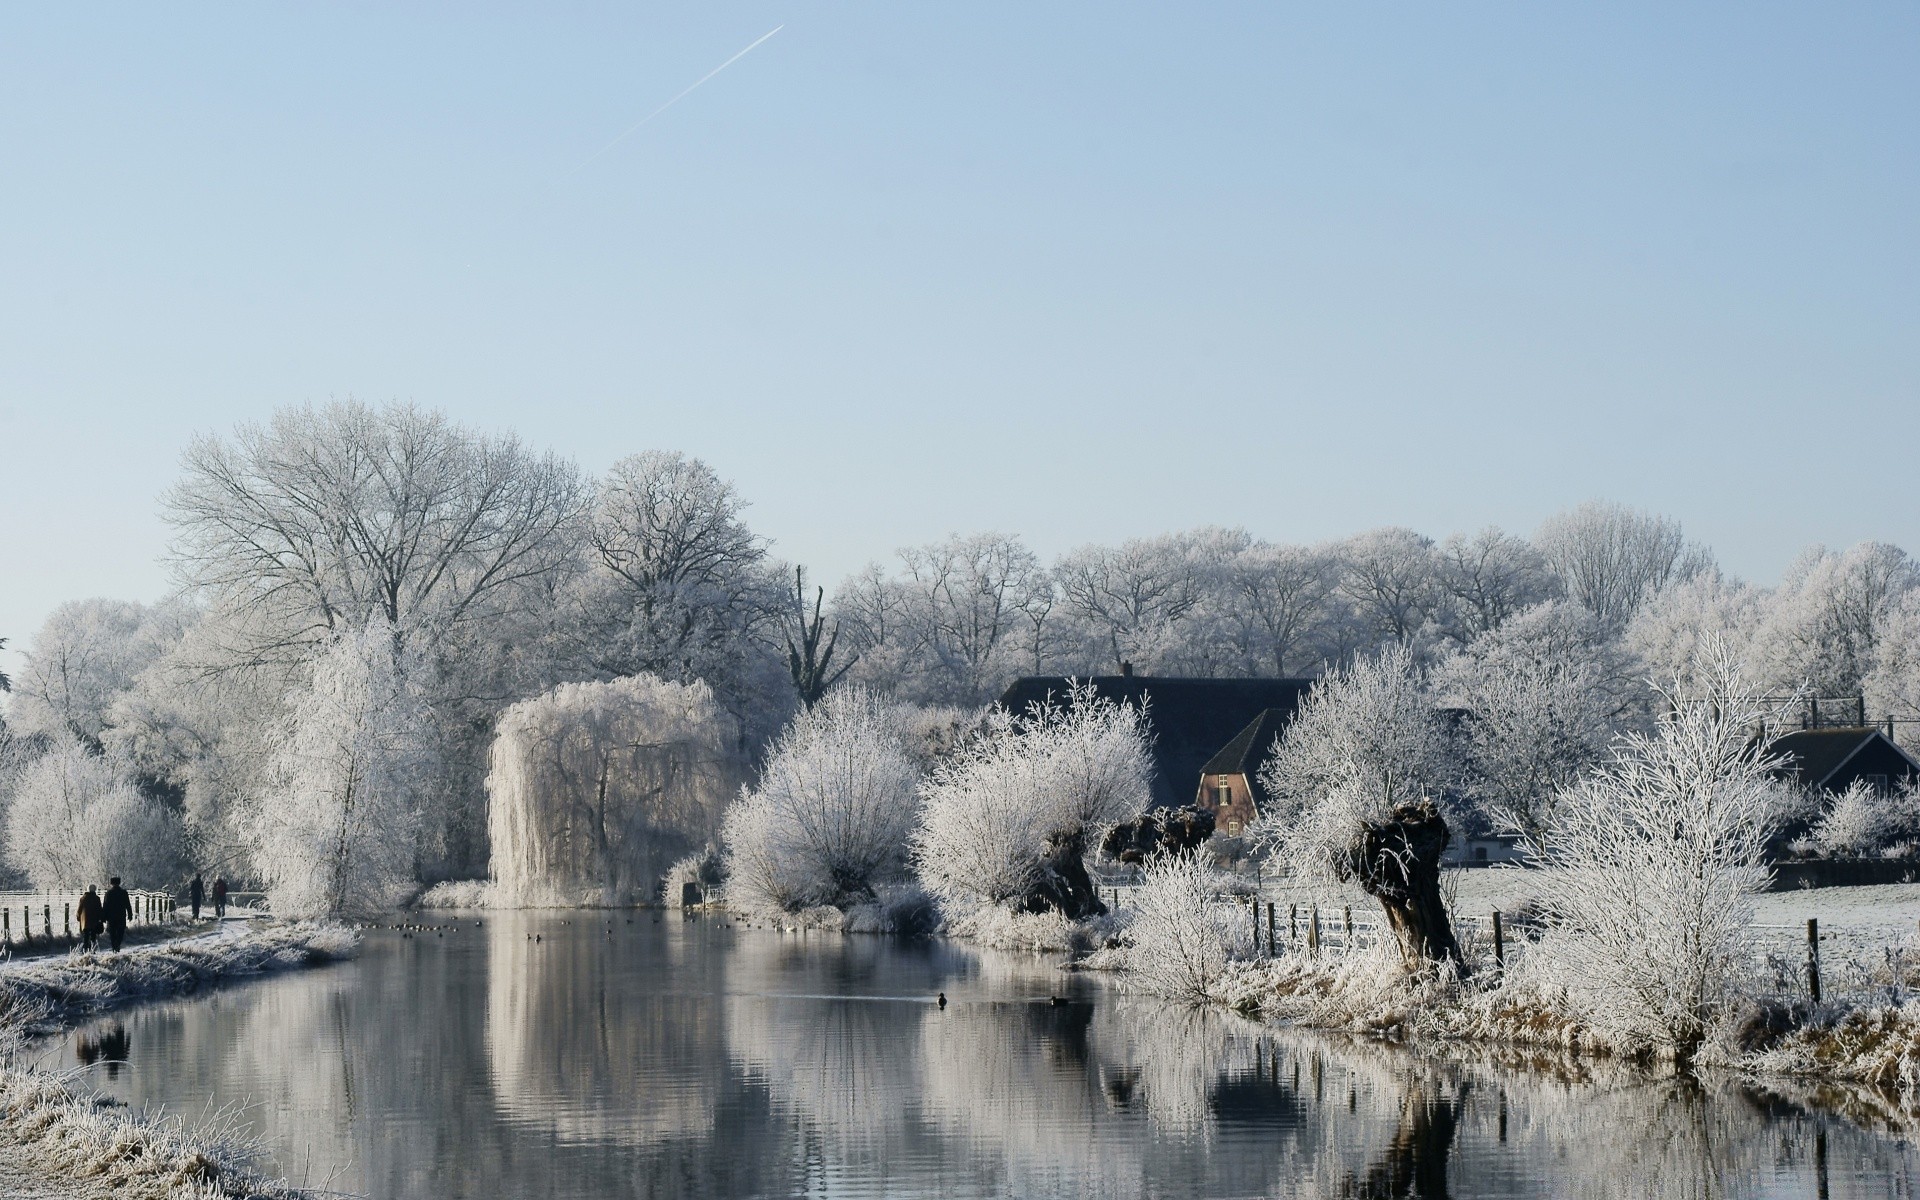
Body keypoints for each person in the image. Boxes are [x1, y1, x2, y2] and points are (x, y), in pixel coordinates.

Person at [102, 877, 132, 952]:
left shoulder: (108, 893)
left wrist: (104, 917)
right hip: (121, 916)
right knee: (120, 932)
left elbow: (105, 905)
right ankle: (117, 944)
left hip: (111, 917)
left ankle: (114, 947)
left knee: (112, 933)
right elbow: (127, 904)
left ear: (111, 883)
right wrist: (130, 914)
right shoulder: (123, 892)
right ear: (119, 883)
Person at [76, 885, 103, 953]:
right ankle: (92, 949)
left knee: (86, 935)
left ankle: (85, 949)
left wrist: (78, 917)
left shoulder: (83, 898)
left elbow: (79, 909)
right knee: (93, 936)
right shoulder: (97, 898)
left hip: (85, 921)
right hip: (94, 921)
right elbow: (99, 909)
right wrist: (101, 918)